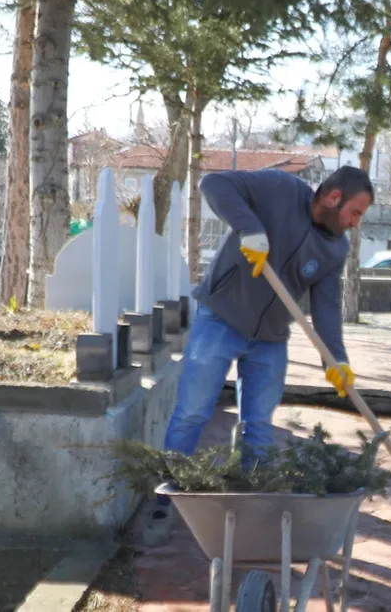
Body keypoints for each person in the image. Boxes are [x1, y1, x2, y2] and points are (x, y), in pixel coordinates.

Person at [143, 165, 374, 545]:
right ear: (335, 198)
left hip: (270, 339)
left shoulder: (336, 248)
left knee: (259, 426)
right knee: (192, 412)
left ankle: (251, 503)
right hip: (220, 320)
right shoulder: (280, 190)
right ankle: (165, 499)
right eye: (355, 213)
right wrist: (250, 228)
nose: (354, 223)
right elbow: (213, 183)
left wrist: (337, 359)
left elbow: (328, 307)